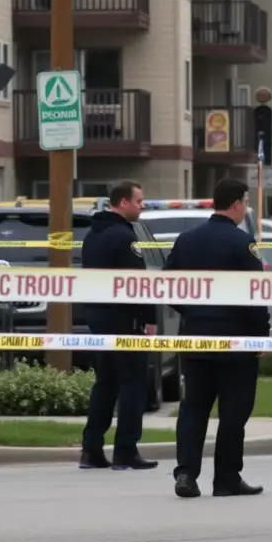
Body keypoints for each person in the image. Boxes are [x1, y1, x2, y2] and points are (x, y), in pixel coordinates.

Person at [166, 178, 270, 498]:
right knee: (233, 412)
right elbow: (255, 294)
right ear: (237, 204)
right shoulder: (242, 243)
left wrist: (192, 312)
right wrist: (260, 336)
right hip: (235, 343)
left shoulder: (187, 240)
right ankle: (225, 478)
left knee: (194, 407)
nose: (246, 208)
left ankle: (186, 474)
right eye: (246, 202)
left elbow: (168, 285)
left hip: (195, 338)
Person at [79, 181, 159, 471]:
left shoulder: (92, 235)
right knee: (134, 383)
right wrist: (149, 318)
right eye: (139, 201)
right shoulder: (124, 237)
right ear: (123, 202)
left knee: (106, 384)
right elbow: (136, 283)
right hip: (124, 320)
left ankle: (91, 449)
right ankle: (126, 450)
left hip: (98, 318)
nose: (142, 206)